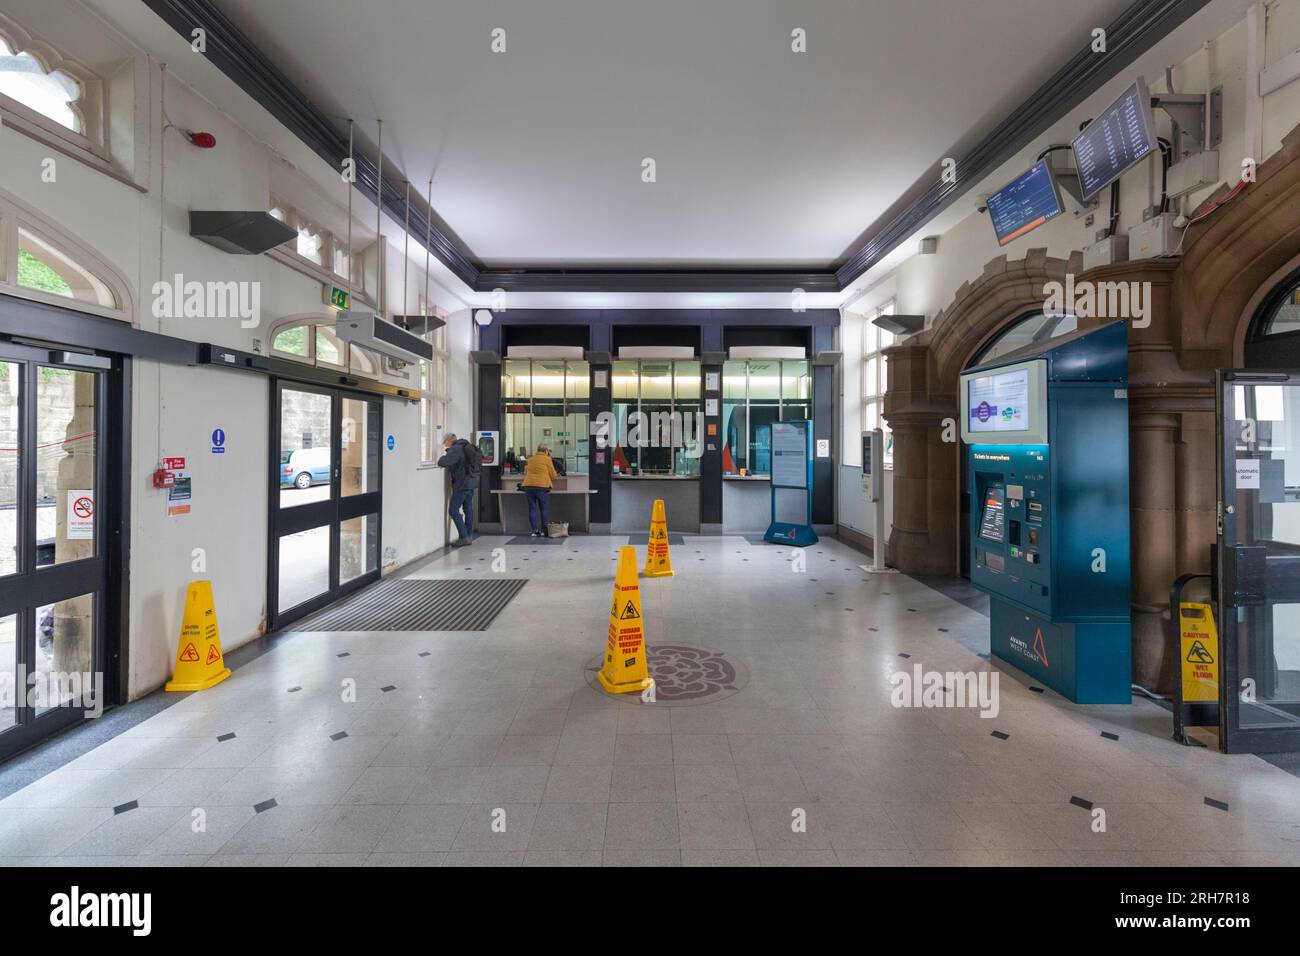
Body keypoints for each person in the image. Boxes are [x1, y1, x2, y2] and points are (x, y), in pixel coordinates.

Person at [437, 433, 481, 546]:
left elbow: (443, 462)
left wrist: (443, 456)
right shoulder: (466, 446)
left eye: (445, 443)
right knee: (468, 509)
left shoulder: (456, 449)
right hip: (471, 482)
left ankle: (464, 537)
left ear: (449, 441)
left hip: (462, 484)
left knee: (453, 510)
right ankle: (469, 536)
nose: (445, 446)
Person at [519, 443, 558, 537]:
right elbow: (553, 475)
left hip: (528, 486)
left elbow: (526, 471)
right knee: (543, 509)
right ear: (546, 451)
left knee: (532, 508)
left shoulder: (530, 459)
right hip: (541, 487)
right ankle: (544, 531)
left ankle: (534, 531)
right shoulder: (547, 459)